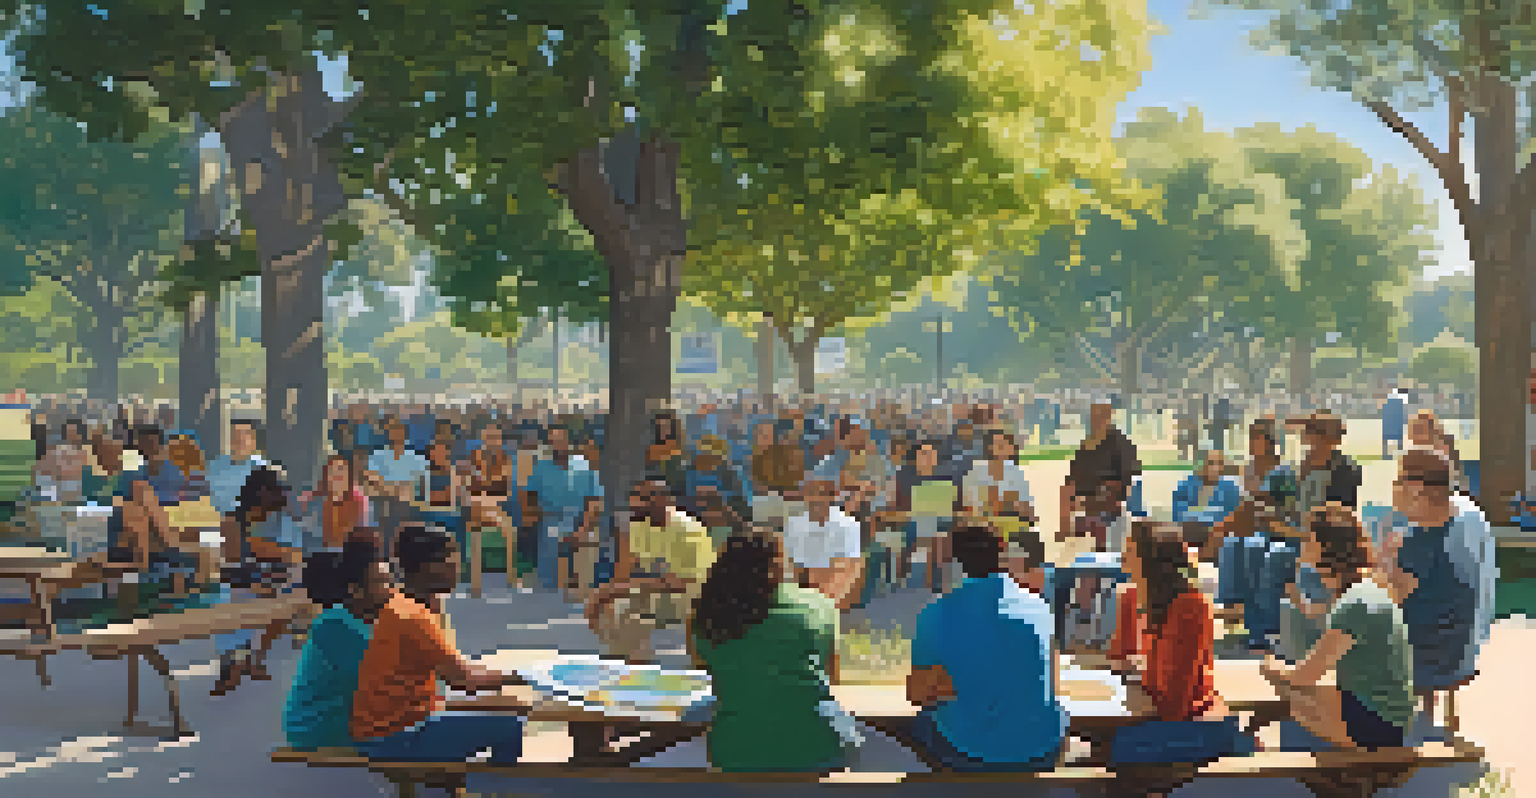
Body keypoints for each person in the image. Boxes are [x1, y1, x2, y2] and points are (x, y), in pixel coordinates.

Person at [351, 523, 528, 765]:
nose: (457, 568)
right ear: (425, 568)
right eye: (450, 560)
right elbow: (463, 681)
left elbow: (454, 668)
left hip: (398, 727)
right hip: (395, 737)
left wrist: (516, 677)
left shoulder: (410, 604)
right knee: (509, 727)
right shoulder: (413, 616)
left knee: (500, 710)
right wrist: (528, 675)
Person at [688, 530, 862, 773]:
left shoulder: (706, 614)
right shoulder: (818, 605)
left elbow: (707, 670)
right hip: (818, 749)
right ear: (780, 567)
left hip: (735, 752)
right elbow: (832, 676)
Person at [904, 522, 1066, 771]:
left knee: (914, 728)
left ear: (953, 564)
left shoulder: (937, 612)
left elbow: (918, 694)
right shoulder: (1039, 606)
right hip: (1041, 749)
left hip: (968, 752)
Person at [1262, 504, 1415, 751]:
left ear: (1324, 547)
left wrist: (1271, 667)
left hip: (1378, 727)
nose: (1302, 542)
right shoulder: (1366, 590)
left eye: (1308, 537)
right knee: (1300, 698)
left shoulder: (1354, 603)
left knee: (1294, 702)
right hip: (1390, 718)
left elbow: (1305, 675)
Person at [1107, 522, 1254, 764]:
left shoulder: (1190, 608)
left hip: (1198, 724)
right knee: (1101, 744)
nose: (1123, 559)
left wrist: (1138, 673)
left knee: (1117, 750)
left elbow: (1175, 700)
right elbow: (1118, 661)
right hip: (1163, 718)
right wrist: (1128, 605)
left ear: (1151, 562)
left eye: (1130, 551)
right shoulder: (1135, 598)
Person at [1378, 449, 1495, 740]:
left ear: (1416, 488)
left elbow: (1391, 596)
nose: (1394, 488)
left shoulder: (1415, 541)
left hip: (1429, 653)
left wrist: (1386, 556)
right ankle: (1429, 716)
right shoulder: (1465, 521)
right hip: (1462, 643)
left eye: (1399, 480)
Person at [586, 479, 716, 664]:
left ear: (665, 501)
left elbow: (680, 583)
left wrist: (617, 590)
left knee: (633, 609)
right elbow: (624, 573)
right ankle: (623, 660)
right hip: (658, 591)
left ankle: (637, 664)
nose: (636, 503)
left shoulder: (688, 530)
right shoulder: (639, 526)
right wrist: (604, 595)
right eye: (634, 497)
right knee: (613, 608)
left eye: (645, 498)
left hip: (693, 596)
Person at [282, 540, 393, 751]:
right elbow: (382, 678)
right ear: (355, 590)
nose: (392, 590)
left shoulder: (356, 621)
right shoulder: (335, 624)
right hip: (319, 726)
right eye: (383, 582)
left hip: (340, 719)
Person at [211, 466, 307, 695]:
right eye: (279, 490)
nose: (284, 496)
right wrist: (256, 582)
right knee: (237, 600)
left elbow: (293, 555)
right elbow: (229, 569)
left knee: (295, 593)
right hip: (241, 584)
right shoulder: (233, 522)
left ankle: (254, 657)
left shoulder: (279, 519)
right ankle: (235, 662)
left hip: (273, 581)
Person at [525, 423, 603, 599]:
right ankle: (551, 587)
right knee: (552, 537)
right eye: (553, 441)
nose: (557, 444)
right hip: (551, 519)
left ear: (568, 441)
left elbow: (595, 501)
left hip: (580, 519)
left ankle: (581, 585)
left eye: (560, 440)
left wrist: (584, 527)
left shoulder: (585, 466)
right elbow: (529, 496)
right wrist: (535, 514)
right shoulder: (541, 467)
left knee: (589, 543)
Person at [1061, 403, 1141, 550]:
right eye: (1094, 415)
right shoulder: (1086, 445)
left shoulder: (1121, 443)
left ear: (1109, 416)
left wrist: (1112, 495)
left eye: (1101, 414)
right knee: (1066, 492)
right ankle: (1069, 534)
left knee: (1103, 513)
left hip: (1112, 501)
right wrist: (1071, 498)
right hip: (1088, 500)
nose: (1097, 419)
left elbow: (1130, 476)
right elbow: (1073, 476)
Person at [782, 477, 865, 609]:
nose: (815, 499)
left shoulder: (849, 525)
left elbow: (849, 568)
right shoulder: (793, 524)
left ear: (831, 497)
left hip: (832, 588)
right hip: (802, 586)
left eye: (821, 494)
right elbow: (789, 563)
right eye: (811, 494)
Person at [895, 439, 962, 593]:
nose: (929, 457)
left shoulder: (945, 475)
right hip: (911, 520)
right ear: (916, 456)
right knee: (933, 533)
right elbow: (899, 505)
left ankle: (936, 578)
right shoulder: (905, 476)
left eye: (932, 454)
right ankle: (929, 576)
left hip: (941, 520)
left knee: (940, 534)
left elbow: (954, 502)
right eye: (924, 453)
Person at [366, 419, 430, 558]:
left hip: (409, 506)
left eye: (399, 431)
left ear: (405, 434)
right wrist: (400, 488)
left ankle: (394, 556)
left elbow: (419, 488)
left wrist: (386, 485)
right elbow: (371, 482)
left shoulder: (418, 459)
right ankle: (388, 556)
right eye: (392, 431)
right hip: (382, 504)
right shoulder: (377, 456)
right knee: (389, 507)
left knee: (398, 508)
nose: (395, 435)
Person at [298, 455, 373, 550]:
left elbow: (366, 537)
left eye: (341, 470)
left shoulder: (361, 502)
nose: (337, 475)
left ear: (349, 475)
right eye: (332, 471)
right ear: (326, 476)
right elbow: (307, 536)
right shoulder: (314, 501)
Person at [1171, 450, 1242, 546]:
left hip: (1217, 538)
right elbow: (1177, 512)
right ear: (1203, 465)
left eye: (1219, 464)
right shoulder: (1187, 484)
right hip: (1189, 533)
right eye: (1210, 463)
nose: (1214, 468)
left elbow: (1232, 516)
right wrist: (1209, 516)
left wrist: (1196, 515)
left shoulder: (1230, 489)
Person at [1381, 389, 1407, 460]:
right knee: (1398, 442)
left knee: (1386, 441)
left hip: (1388, 425)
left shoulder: (1389, 400)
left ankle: (1386, 455)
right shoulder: (1401, 402)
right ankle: (1397, 455)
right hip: (1396, 425)